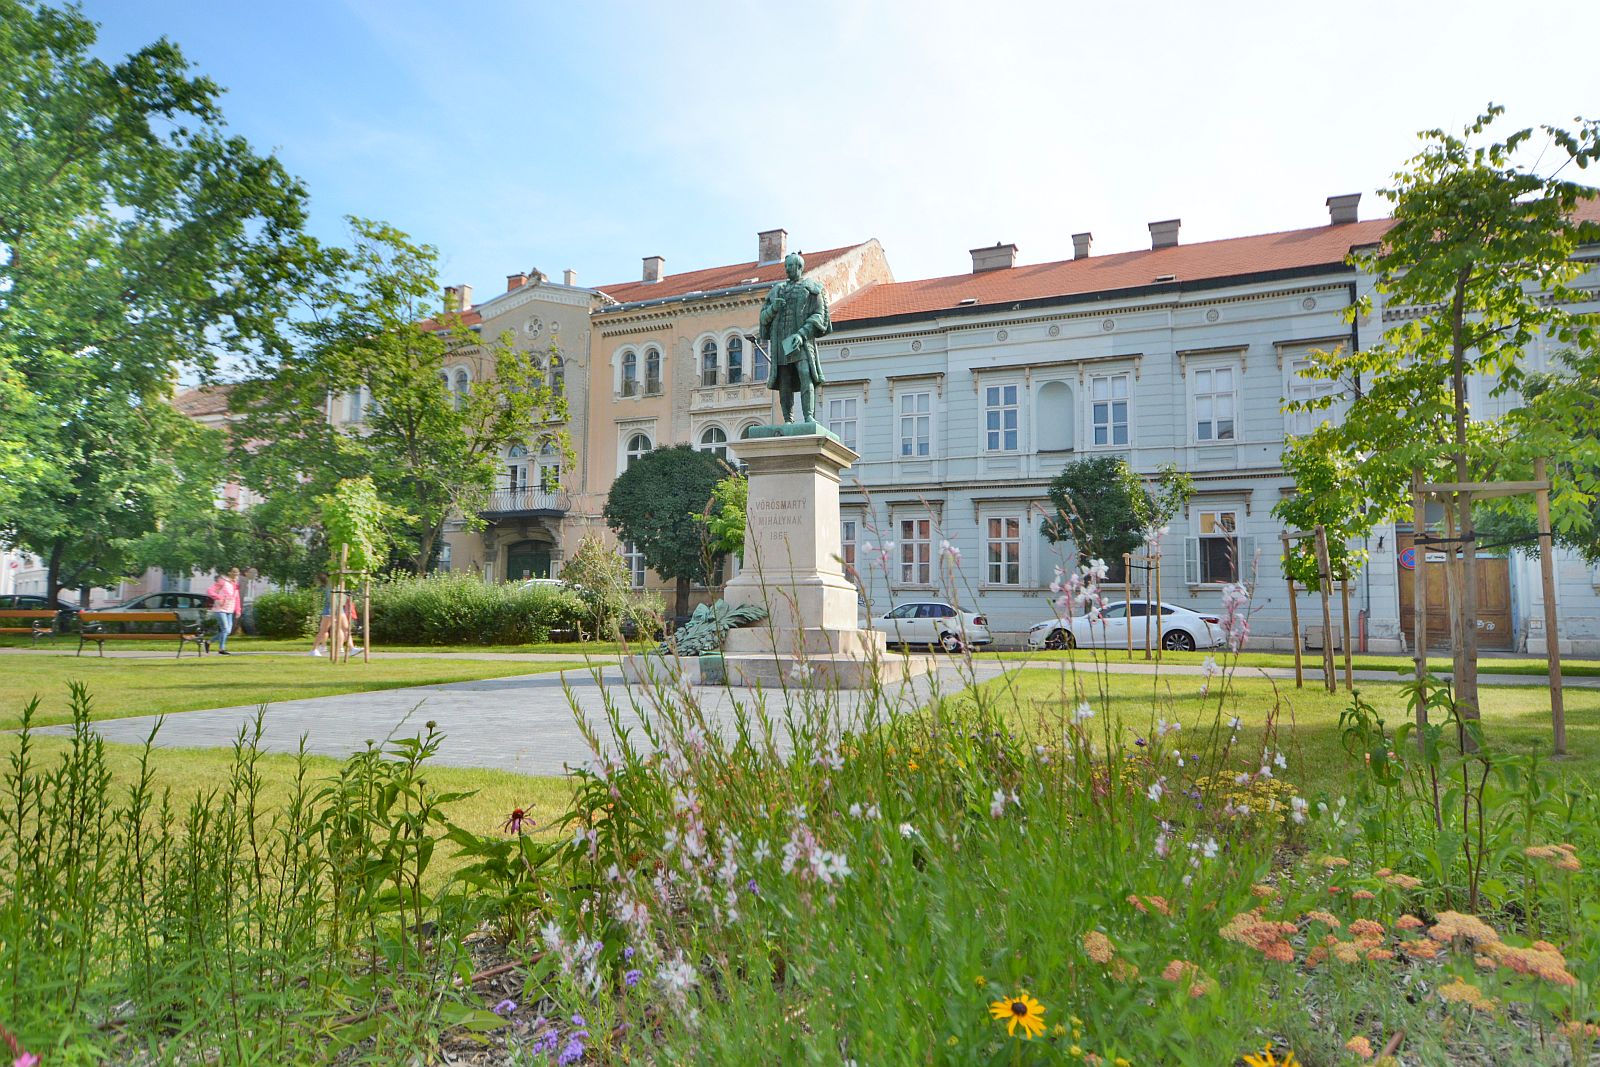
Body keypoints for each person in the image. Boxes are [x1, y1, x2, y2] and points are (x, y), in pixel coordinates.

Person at [759, 251, 831, 424]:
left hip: (802, 343)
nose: (787, 270)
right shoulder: (776, 290)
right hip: (781, 344)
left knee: (806, 374)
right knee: (784, 381)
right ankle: (788, 420)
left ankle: (808, 417)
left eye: (790, 266)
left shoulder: (813, 288)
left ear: (800, 267)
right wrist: (773, 309)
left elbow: (818, 315)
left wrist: (802, 334)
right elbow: (763, 318)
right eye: (786, 266)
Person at [204, 568, 242, 655]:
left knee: (227, 631)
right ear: (229, 573)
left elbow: (237, 598)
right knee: (225, 629)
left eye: (237, 573)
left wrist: (238, 610)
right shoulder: (222, 581)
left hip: (230, 610)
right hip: (220, 609)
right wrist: (219, 597)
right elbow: (210, 591)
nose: (235, 574)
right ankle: (221, 649)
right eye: (234, 572)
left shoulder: (236, 585)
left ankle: (209, 641)